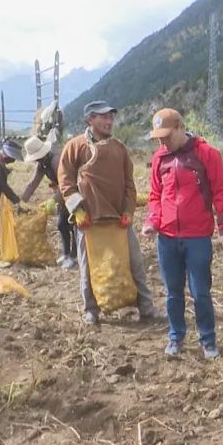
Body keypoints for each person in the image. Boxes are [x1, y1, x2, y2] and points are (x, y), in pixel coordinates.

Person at [142, 108, 223, 359]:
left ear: (181, 128)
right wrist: (153, 221)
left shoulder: (207, 154)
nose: (162, 142)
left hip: (197, 237)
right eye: (159, 138)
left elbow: (221, 192)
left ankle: (208, 339)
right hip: (167, 238)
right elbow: (155, 196)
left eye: (167, 136)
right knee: (173, 292)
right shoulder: (160, 158)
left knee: (200, 291)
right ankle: (176, 336)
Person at [59, 101, 156, 326]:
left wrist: (128, 211)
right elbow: (65, 181)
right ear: (90, 119)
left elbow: (129, 184)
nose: (109, 121)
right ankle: (90, 309)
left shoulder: (119, 148)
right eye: (103, 117)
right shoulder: (75, 146)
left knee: (135, 263)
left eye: (111, 117)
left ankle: (146, 307)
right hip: (89, 220)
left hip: (118, 219)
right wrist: (78, 209)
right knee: (88, 266)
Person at [19, 135, 76, 269]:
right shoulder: (42, 164)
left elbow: (66, 183)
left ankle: (74, 256)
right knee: (62, 225)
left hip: (73, 191)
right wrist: (21, 202)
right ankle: (66, 254)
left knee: (72, 225)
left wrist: (53, 200)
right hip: (62, 194)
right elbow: (32, 184)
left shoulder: (56, 160)